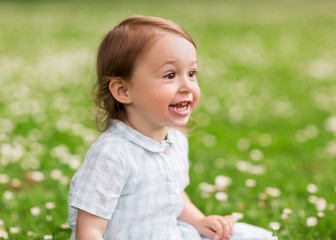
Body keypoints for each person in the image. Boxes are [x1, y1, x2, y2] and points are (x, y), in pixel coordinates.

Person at [67, 15, 277, 240]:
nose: (187, 86)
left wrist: (198, 220)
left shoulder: (175, 140)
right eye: (170, 75)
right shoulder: (112, 155)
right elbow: (89, 229)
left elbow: (173, 194)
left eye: (192, 73)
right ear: (123, 91)